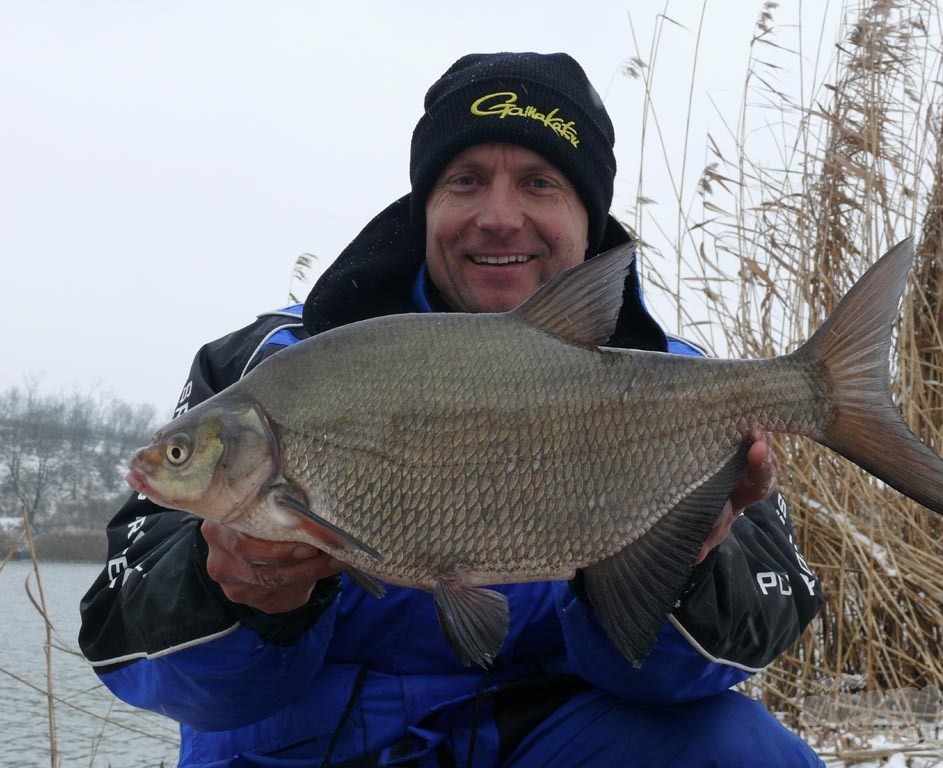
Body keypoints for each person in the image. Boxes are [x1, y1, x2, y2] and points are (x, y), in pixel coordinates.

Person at [80, 52, 825, 767]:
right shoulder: (264, 368)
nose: (499, 217)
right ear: (426, 206)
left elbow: (736, 641)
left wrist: (678, 565)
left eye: (539, 183)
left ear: (589, 219)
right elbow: (124, 639)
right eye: (466, 180)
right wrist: (233, 591)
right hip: (308, 743)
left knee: (747, 753)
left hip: (561, 730)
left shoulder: (684, 388)